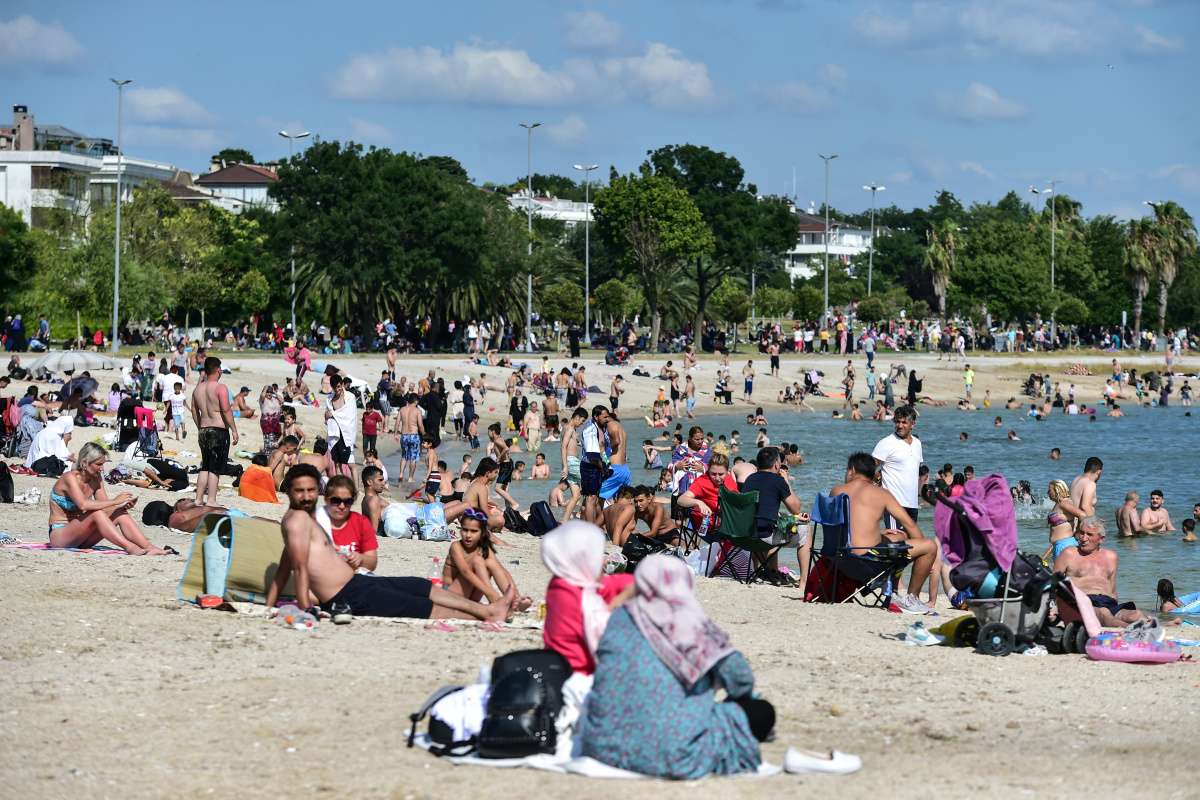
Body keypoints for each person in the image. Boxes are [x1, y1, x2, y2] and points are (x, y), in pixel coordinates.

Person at [579, 555, 777, 779]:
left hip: (603, 748)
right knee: (761, 712)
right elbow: (740, 679)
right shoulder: (689, 621)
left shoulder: (618, 617)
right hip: (675, 754)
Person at [265, 464, 512, 621]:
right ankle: (486, 613)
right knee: (414, 604)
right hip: (346, 595)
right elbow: (298, 567)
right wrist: (306, 609)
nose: (308, 496)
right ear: (289, 492)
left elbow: (287, 562)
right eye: (301, 491)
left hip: (355, 583)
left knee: (416, 586)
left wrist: (270, 603)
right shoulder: (297, 521)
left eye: (311, 490)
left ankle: (483, 609)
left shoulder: (298, 520)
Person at [830, 452, 939, 615]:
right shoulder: (881, 494)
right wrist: (921, 555)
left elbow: (843, 526)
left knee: (898, 536)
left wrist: (879, 532)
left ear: (851, 470)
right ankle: (911, 598)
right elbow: (909, 524)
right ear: (874, 474)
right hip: (867, 563)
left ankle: (893, 591)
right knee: (929, 546)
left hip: (840, 560)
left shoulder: (836, 491)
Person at [541, 521, 635, 674]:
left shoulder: (567, 581)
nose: (604, 561)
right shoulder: (566, 592)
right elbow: (604, 630)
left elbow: (616, 583)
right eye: (599, 555)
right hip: (576, 674)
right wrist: (619, 601)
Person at [46, 442, 170, 555]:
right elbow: (83, 505)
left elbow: (106, 506)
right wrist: (115, 501)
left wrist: (121, 506)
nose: (102, 468)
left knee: (119, 513)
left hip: (82, 536)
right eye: (98, 464)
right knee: (97, 514)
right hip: (60, 535)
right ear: (84, 463)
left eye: (103, 464)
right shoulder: (69, 478)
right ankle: (130, 548)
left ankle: (149, 547)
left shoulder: (96, 478)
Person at [1053, 516, 1146, 627]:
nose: (1083, 538)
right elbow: (1052, 583)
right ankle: (1134, 630)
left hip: (1108, 603)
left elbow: (1112, 588)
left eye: (1089, 534)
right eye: (1082, 533)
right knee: (1103, 613)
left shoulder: (1111, 556)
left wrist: (1114, 605)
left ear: (1101, 539)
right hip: (1083, 603)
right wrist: (1056, 609)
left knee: (1136, 615)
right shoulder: (1069, 553)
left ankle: (1160, 630)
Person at [742, 447, 811, 590]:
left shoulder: (750, 479)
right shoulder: (778, 481)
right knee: (805, 529)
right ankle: (804, 582)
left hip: (747, 534)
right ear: (776, 465)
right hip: (765, 536)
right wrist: (786, 481)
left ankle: (767, 572)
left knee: (774, 521)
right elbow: (796, 508)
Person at [442, 508, 531, 608]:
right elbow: (465, 571)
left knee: (491, 563)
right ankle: (494, 599)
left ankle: (514, 601)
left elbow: (502, 571)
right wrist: (491, 593)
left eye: (474, 531)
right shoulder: (456, 546)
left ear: (483, 533)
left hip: (470, 596)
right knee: (478, 560)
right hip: (451, 594)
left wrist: (516, 595)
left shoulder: (483, 548)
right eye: (465, 530)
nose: (468, 535)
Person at [191, 356, 237, 507]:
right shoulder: (220, 387)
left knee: (205, 465)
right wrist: (234, 430)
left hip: (204, 430)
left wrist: (200, 426)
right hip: (218, 431)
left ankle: (198, 499)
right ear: (218, 370)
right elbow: (225, 409)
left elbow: (193, 410)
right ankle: (211, 500)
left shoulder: (198, 389)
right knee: (215, 467)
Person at [320, 475, 378, 573]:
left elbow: (372, 562)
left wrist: (360, 558)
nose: (342, 506)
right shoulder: (316, 522)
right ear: (326, 499)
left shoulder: (361, 522)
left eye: (348, 501)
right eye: (336, 501)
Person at [677, 453, 738, 535]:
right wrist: (699, 502)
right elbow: (681, 500)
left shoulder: (729, 479)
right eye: (713, 474)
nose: (717, 478)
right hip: (710, 527)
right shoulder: (702, 482)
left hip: (729, 522)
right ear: (708, 470)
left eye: (721, 474)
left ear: (727, 471)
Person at [323, 376, 358, 481]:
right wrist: (327, 416)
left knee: (351, 464)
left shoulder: (350, 397)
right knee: (337, 464)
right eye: (335, 387)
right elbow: (326, 416)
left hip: (346, 435)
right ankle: (341, 485)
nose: (337, 389)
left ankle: (355, 489)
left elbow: (349, 416)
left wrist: (332, 414)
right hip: (335, 435)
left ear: (342, 384)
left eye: (339, 386)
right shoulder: (329, 399)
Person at [1043, 480, 1087, 560]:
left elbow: (1082, 515)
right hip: (1059, 545)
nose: (1048, 492)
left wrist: (1078, 532)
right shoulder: (1059, 503)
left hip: (1065, 545)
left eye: (1050, 490)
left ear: (1057, 490)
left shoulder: (1064, 503)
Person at [360, 465, 388, 533]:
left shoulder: (365, 499)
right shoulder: (373, 500)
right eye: (380, 480)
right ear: (369, 482)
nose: (383, 483)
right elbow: (374, 530)